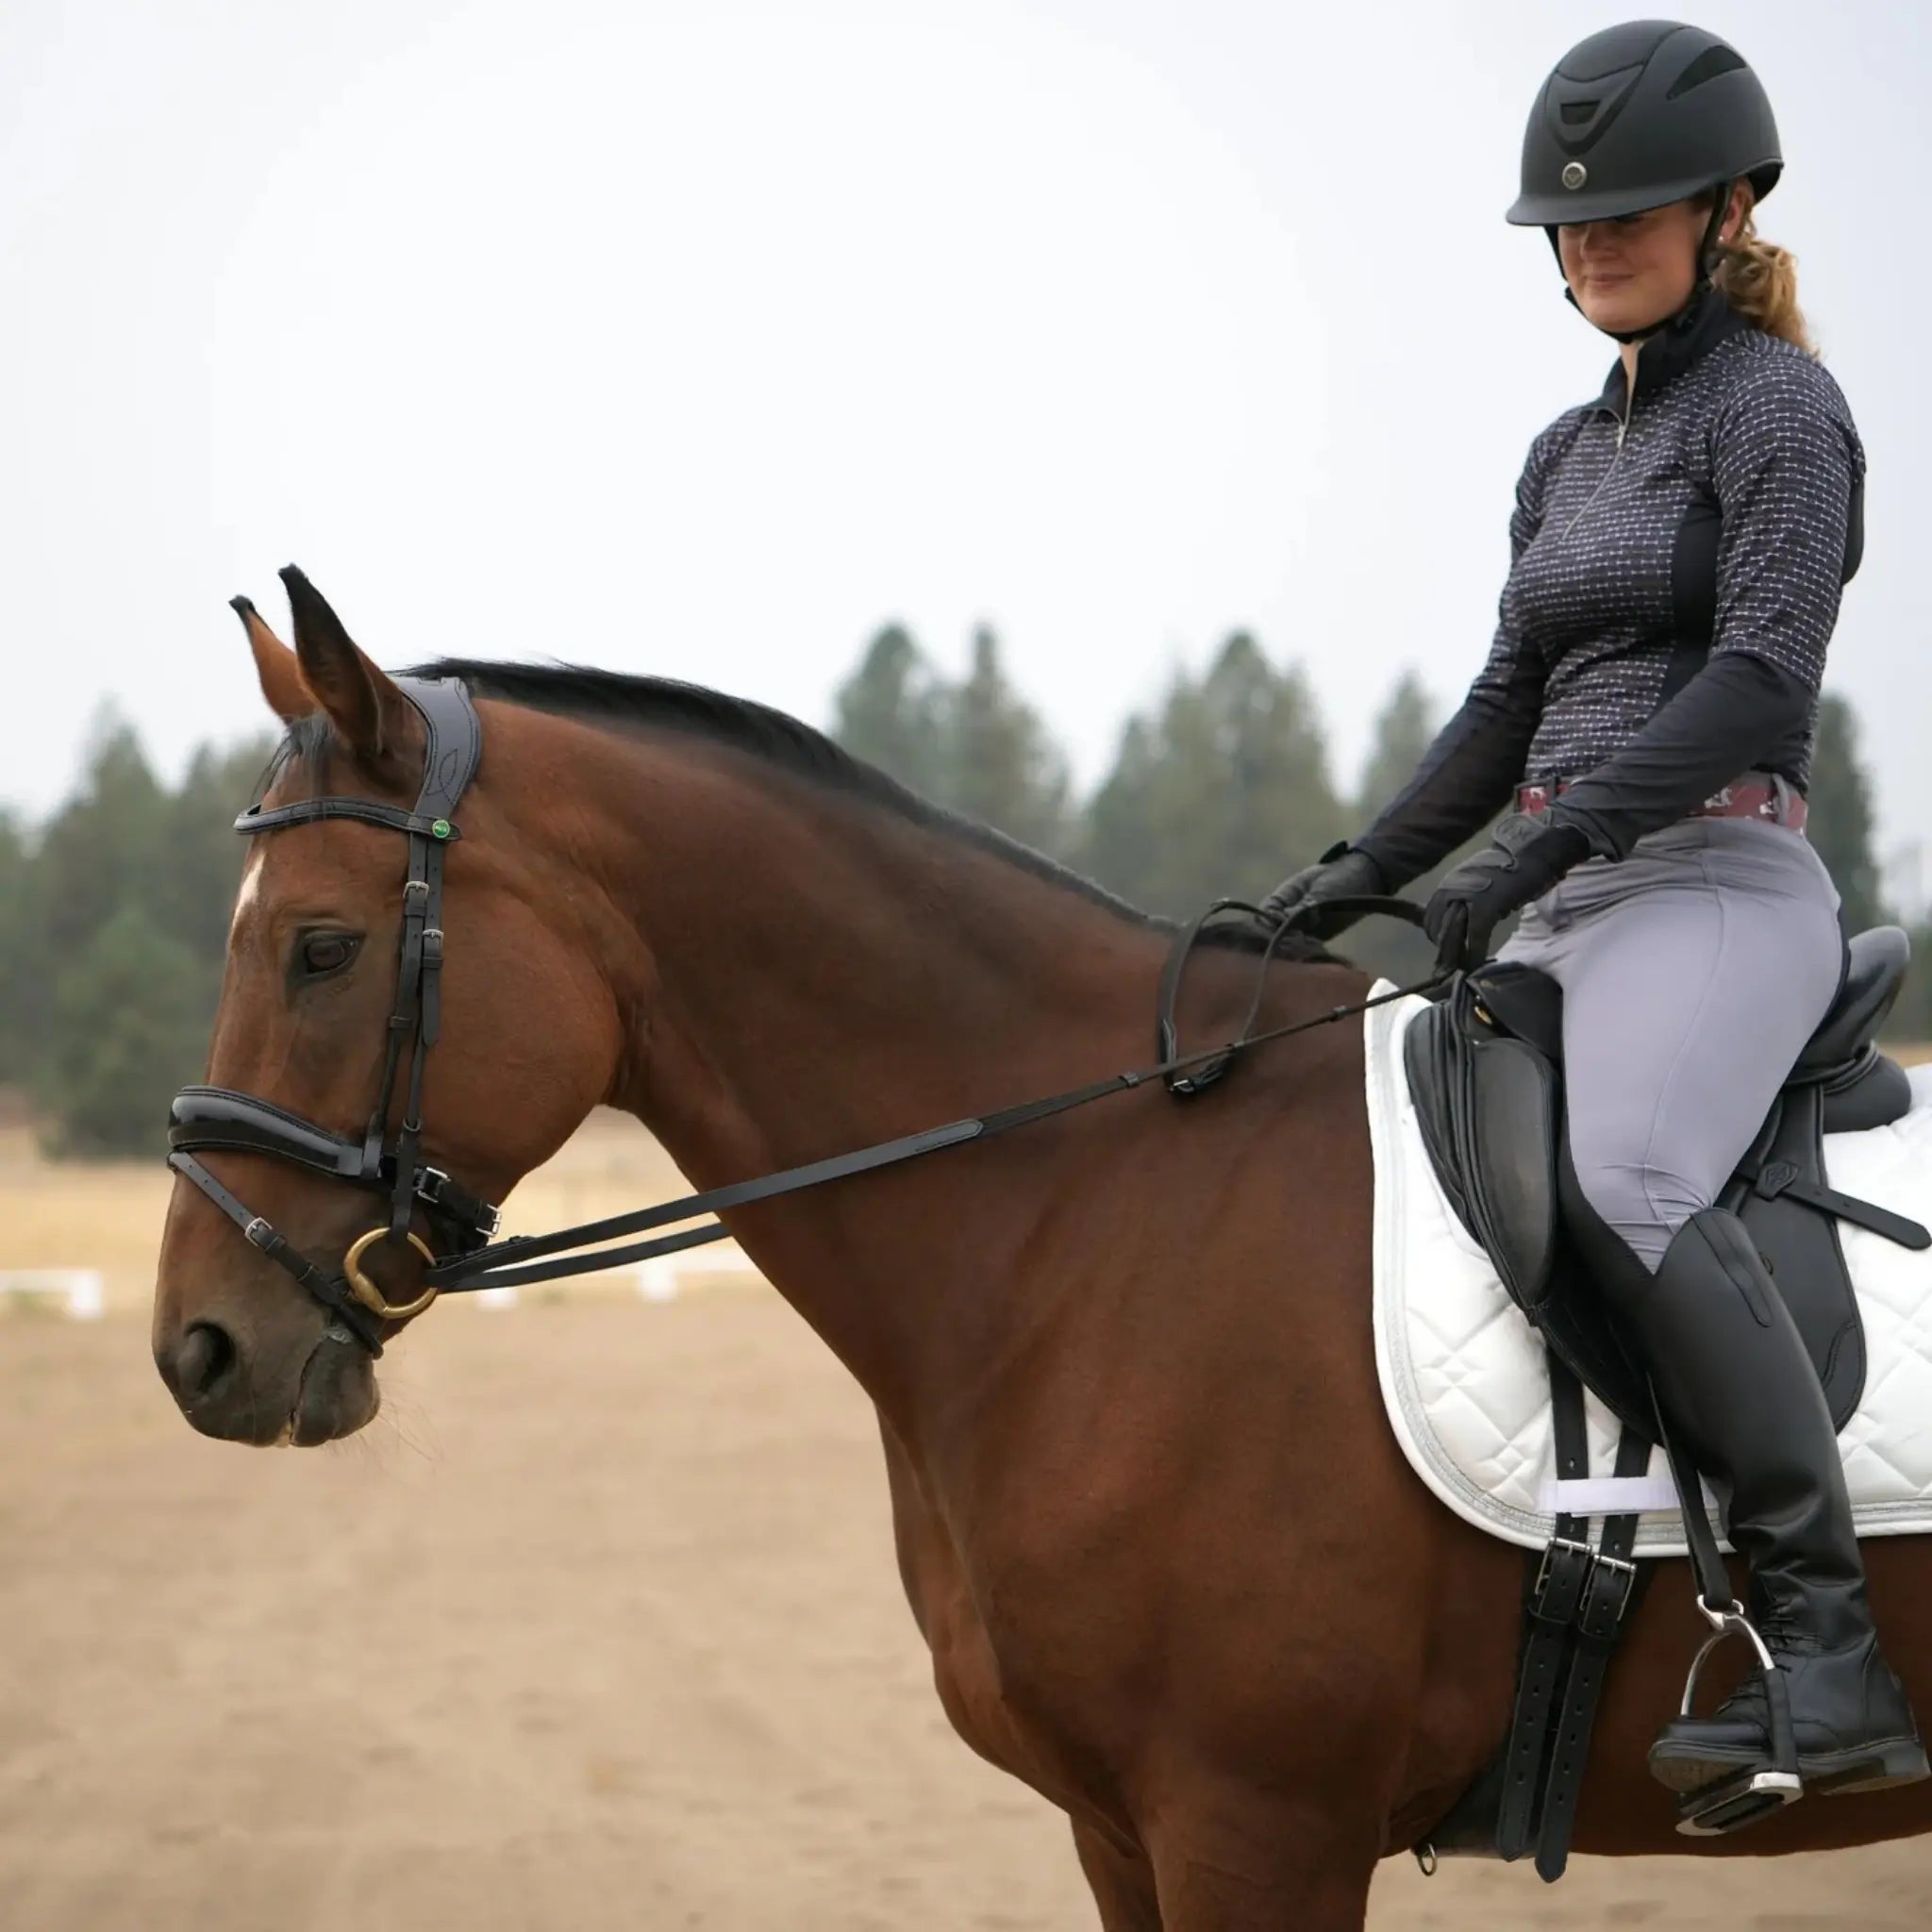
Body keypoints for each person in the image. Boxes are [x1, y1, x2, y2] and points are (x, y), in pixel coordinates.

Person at [1263, 21, 1926, 1802]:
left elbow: (1763, 685)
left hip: (1717, 881)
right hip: (1556, 903)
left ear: (1724, 210)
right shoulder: (1565, 455)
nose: (1589, 247)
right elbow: (1502, 711)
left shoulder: (1786, 410)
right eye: (1563, 228)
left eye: (1625, 214)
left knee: (1625, 1175)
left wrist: (1537, 858)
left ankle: (1833, 1645)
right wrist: (1353, 883)